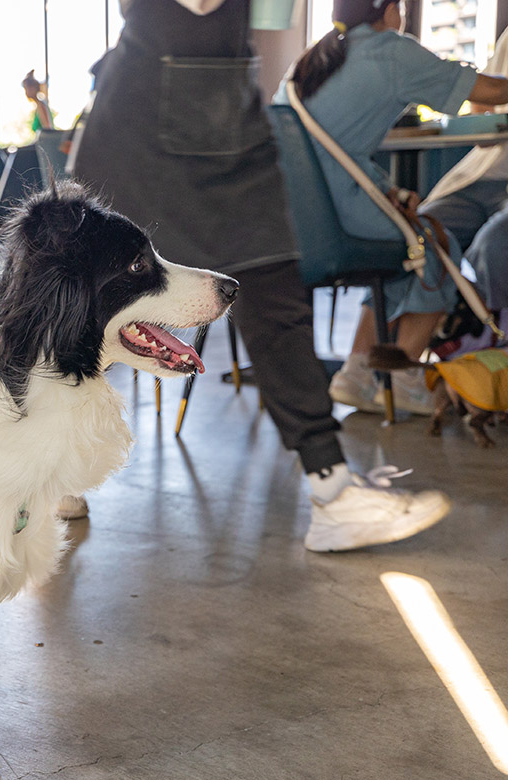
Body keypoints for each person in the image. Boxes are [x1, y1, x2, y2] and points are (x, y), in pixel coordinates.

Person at [72, 0, 449, 552]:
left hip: (215, 108)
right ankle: (46, 474)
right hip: (158, 113)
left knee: (269, 289)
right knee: (89, 305)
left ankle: (332, 487)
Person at [276, 0, 508, 416]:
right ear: (387, 11)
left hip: (294, 218)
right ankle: (402, 377)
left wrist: (390, 192)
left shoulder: (314, 60)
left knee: (406, 254)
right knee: (435, 249)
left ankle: (356, 372)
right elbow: (493, 92)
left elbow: (331, 153)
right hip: (339, 215)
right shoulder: (393, 52)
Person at [419, 26, 508, 324]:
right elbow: (482, 101)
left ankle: (493, 334)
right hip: (482, 175)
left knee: (495, 245)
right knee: (419, 233)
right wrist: (486, 121)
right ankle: (420, 341)